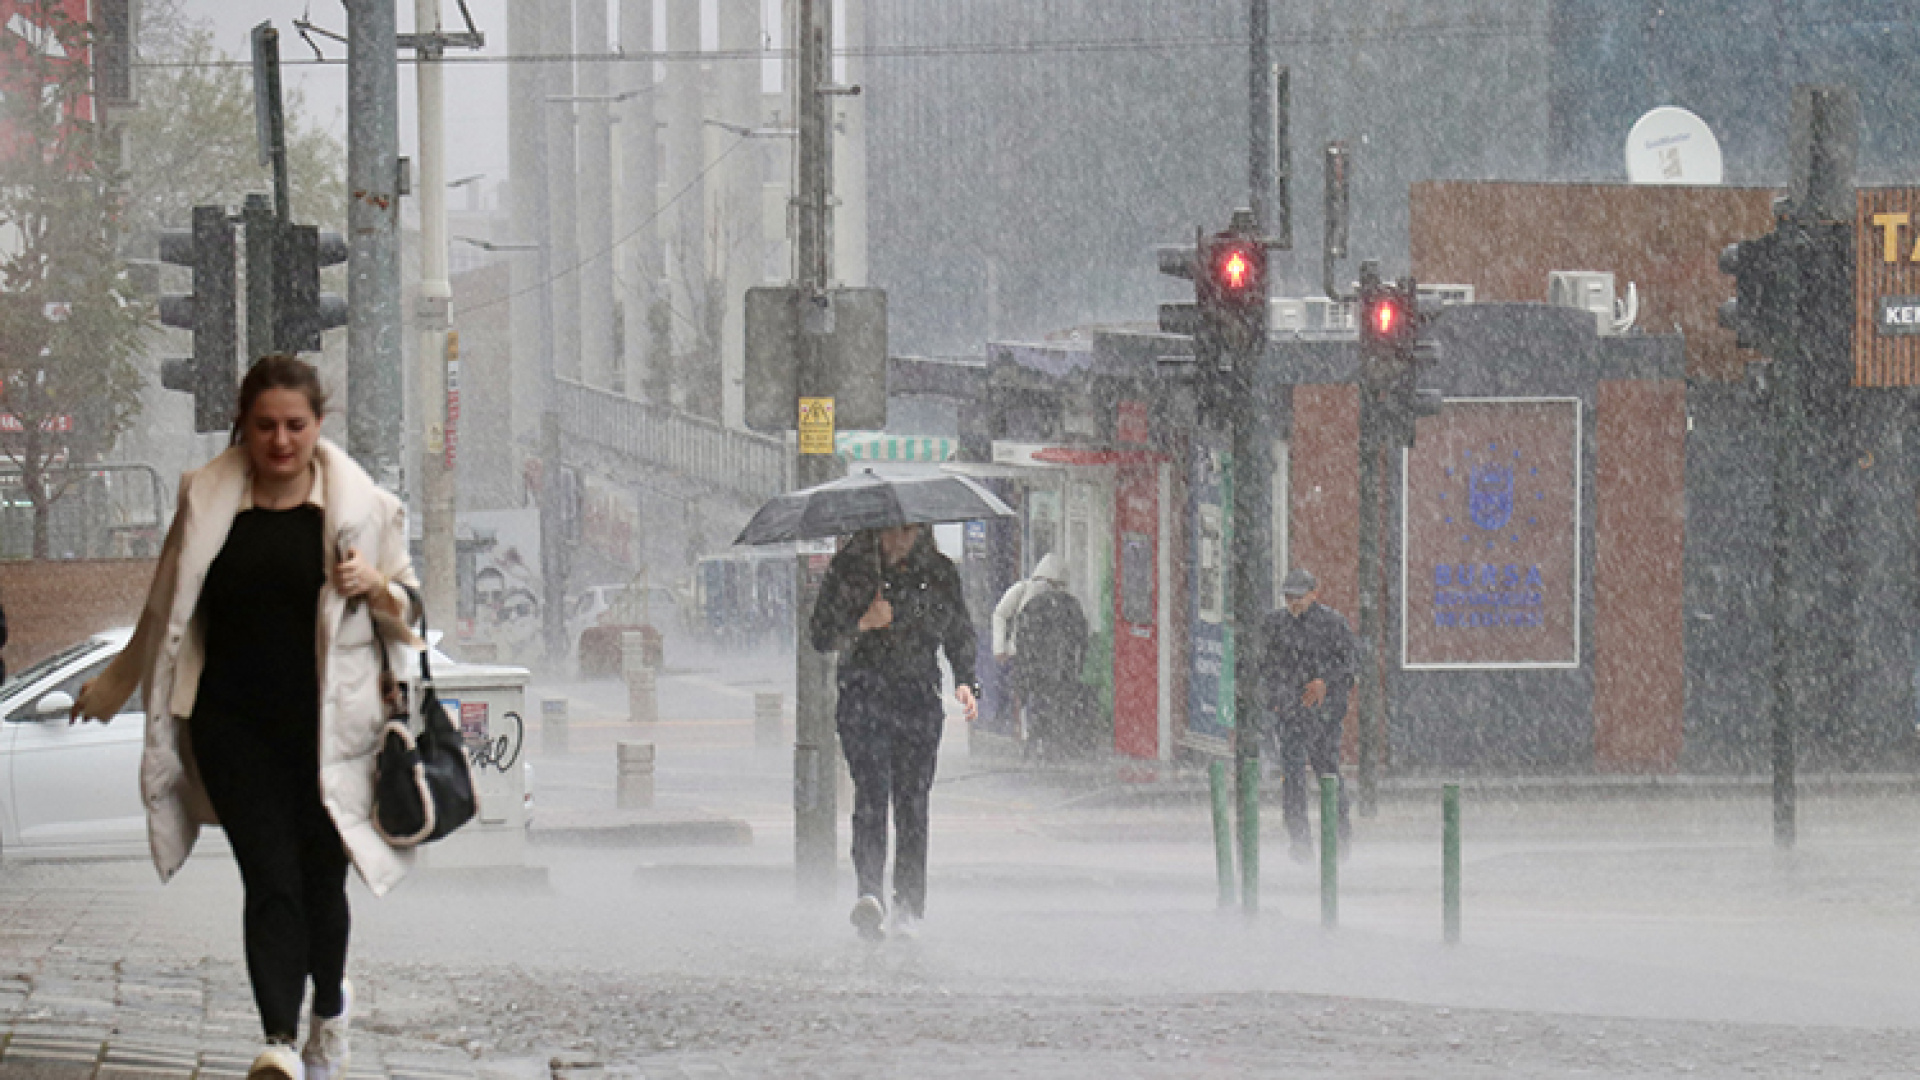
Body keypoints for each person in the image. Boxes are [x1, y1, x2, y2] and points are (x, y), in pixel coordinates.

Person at [72, 355, 420, 1080]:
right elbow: (164, 605)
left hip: (332, 734)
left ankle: (329, 1009)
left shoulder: (364, 511)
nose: (281, 440)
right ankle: (279, 1042)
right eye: (265, 425)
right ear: (244, 426)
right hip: (234, 730)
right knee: (271, 880)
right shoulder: (206, 500)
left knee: (322, 888)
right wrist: (115, 681)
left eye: (295, 425)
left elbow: (414, 614)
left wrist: (376, 583)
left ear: (319, 425)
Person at [810, 523, 978, 940]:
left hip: (917, 699)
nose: (900, 540)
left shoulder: (938, 572)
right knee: (871, 796)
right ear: (875, 532)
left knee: (912, 803)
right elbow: (820, 634)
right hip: (863, 696)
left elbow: (958, 630)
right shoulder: (850, 569)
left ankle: (909, 905)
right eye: (892, 532)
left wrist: (965, 679)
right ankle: (870, 893)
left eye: (910, 532)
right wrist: (864, 622)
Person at [1258, 567, 1357, 863]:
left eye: (1299, 596)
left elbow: (1350, 665)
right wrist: (1274, 699)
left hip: (1323, 716)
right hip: (1290, 714)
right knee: (1293, 780)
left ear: (1314, 594)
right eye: (1289, 597)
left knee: (1328, 774)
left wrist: (1325, 681)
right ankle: (1300, 842)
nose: (1294, 602)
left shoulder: (1333, 624)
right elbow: (1264, 665)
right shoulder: (1275, 624)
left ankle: (1340, 836)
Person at [1012, 571, 1090, 758]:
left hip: (1039, 665)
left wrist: (1024, 662)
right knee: (1059, 703)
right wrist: (1077, 664)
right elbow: (1081, 637)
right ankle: (1055, 742)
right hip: (1063, 666)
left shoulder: (1032, 606)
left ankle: (1036, 740)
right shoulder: (1071, 605)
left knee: (1039, 702)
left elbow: (1022, 637)